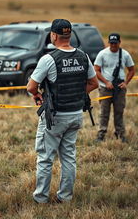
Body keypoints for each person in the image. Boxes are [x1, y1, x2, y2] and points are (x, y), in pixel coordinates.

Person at [27, 19, 98, 204]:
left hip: (55, 117)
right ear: (69, 35)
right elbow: (94, 83)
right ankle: (65, 197)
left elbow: (31, 86)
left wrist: (37, 95)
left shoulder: (49, 59)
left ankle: (41, 198)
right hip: (75, 114)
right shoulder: (83, 56)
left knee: (45, 158)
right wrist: (76, 94)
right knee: (68, 157)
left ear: (54, 35)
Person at [94, 33, 135, 143]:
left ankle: (120, 134)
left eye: (115, 43)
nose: (113, 45)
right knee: (104, 113)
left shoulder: (125, 54)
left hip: (119, 88)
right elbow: (96, 70)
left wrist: (126, 82)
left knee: (119, 112)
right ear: (109, 43)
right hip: (105, 88)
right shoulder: (102, 54)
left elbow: (131, 70)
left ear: (119, 42)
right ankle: (101, 134)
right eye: (111, 43)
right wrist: (106, 82)